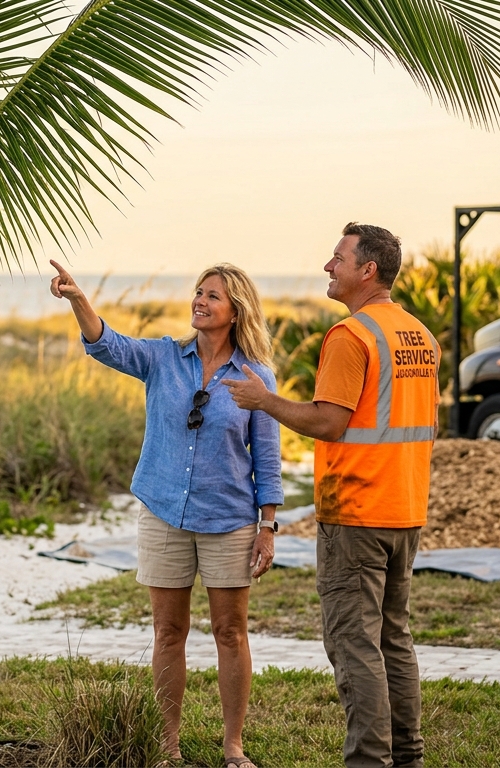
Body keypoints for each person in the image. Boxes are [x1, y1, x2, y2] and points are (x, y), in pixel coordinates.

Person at [50, 259, 284, 768]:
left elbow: (266, 460)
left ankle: (233, 746)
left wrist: (267, 527)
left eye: (212, 296)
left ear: (235, 310)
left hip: (229, 520)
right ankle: (167, 745)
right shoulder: (162, 357)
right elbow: (108, 344)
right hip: (163, 514)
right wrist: (77, 299)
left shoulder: (254, 376)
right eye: (198, 292)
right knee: (168, 631)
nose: (199, 301)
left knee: (230, 631)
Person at [223, 223, 439, 768]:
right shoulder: (419, 335)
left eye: (337, 258)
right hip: (405, 508)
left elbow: (329, 422)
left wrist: (264, 400)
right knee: (393, 638)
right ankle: (406, 756)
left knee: (354, 643)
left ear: (367, 270)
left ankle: (369, 759)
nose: (328, 266)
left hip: (358, 512)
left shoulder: (352, 336)